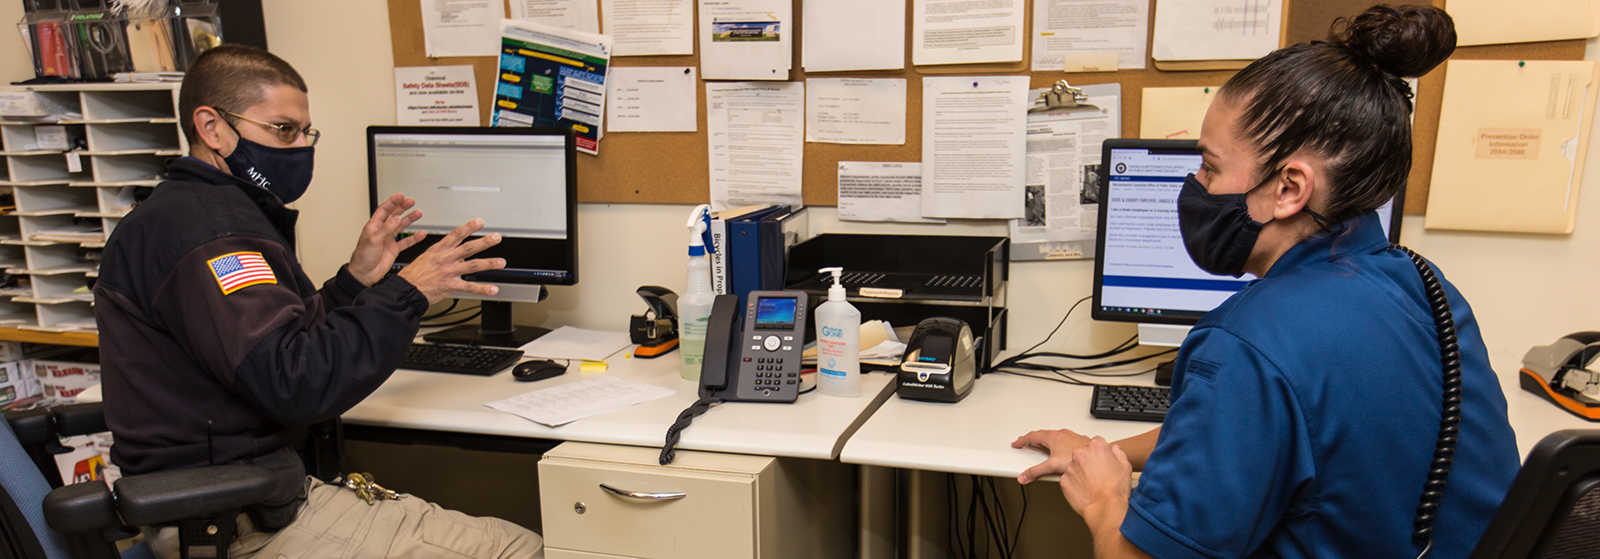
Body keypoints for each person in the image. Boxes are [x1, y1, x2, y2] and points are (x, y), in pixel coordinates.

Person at [1012, 6, 1518, 558]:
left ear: (1288, 188)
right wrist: (1103, 450)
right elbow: (1255, 435)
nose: (1195, 184)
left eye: (1208, 166)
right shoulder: (1424, 285)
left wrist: (1104, 498)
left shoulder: (1246, 343)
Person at [94, 44, 543, 558]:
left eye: (307, 133)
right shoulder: (210, 234)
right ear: (211, 127)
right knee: (522, 550)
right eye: (283, 130)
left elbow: (276, 342)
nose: (300, 146)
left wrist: (354, 282)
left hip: (255, 492)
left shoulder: (205, 214)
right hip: (233, 518)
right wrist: (410, 290)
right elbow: (295, 382)